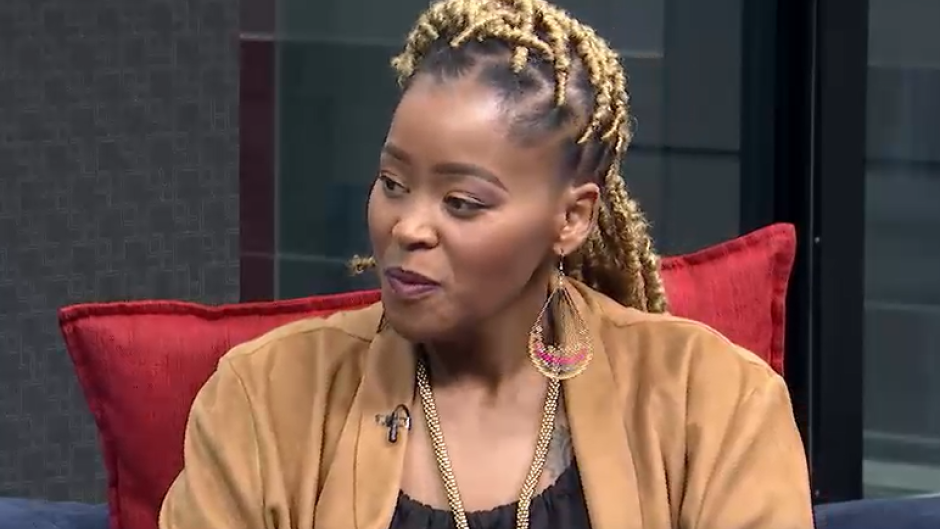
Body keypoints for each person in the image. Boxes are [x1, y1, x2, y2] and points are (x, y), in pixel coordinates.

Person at [159, 0, 814, 528]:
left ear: (572, 218)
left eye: (462, 202)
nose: (408, 227)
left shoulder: (714, 401)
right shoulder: (266, 396)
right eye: (392, 183)